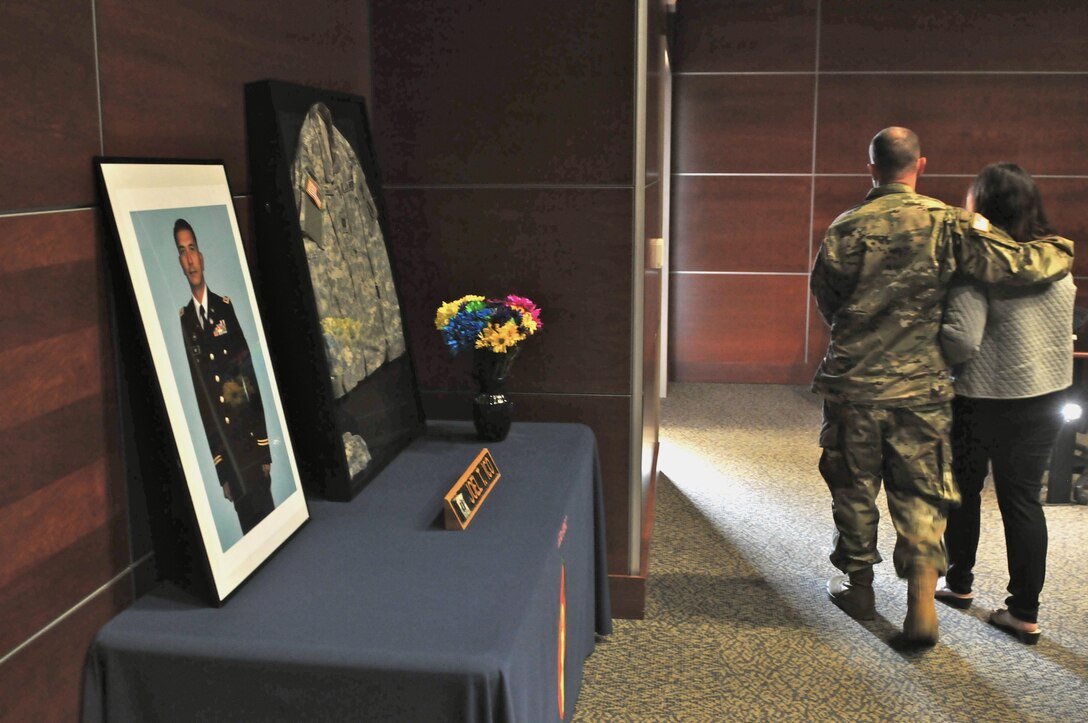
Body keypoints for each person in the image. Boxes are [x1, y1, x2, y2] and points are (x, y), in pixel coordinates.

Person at [810, 128, 1073, 645]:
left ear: (872, 169)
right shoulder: (950, 223)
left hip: (854, 384)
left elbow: (826, 300)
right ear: (921, 165)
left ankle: (858, 588)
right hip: (921, 387)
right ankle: (921, 607)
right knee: (922, 493)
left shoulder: (844, 228)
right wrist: (1060, 249)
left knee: (854, 487)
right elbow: (1019, 265)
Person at [937, 163, 1075, 645]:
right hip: (1043, 399)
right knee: (1022, 501)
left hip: (979, 398)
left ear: (982, 207)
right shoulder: (1058, 263)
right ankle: (1023, 612)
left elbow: (962, 340)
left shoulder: (976, 267)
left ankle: (957, 583)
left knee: (963, 491)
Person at [175, 218, 276, 534]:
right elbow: (203, 402)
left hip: (247, 441)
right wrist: (221, 470)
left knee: (269, 524)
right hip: (228, 452)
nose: (190, 259)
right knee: (249, 528)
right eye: (182, 252)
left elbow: (249, 379)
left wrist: (262, 448)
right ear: (180, 263)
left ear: (202, 257)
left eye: (193, 249)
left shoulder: (224, 308)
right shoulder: (185, 322)